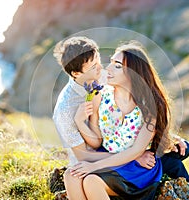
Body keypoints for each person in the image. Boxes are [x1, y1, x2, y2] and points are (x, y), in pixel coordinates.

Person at [70, 40, 189, 200]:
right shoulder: (100, 96)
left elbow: (136, 150)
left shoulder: (150, 106)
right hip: (110, 157)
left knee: (91, 181)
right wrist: (80, 122)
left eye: (117, 65)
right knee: (72, 176)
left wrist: (93, 166)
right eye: (110, 62)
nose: (107, 68)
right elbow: (97, 142)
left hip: (137, 167)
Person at [52, 36, 162, 200]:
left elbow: (139, 117)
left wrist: (164, 138)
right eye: (93, 67)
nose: (102, 69)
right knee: (71, 176)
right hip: (92, 158)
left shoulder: (105, 78)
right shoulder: (65, 110)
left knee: (90, 181)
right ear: (76, 73)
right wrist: (134, 154)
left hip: (119, 157)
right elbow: (84, 155)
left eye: (99, 62)